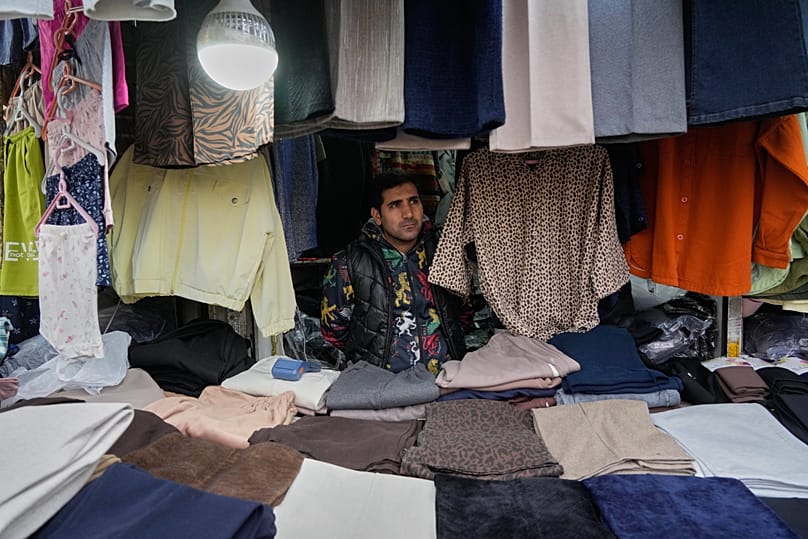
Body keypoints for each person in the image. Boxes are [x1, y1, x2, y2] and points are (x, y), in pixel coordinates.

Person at [320, 170, 466, 375]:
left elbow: (464, 310)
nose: (408, 213)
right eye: (395, 205)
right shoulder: (350, 263)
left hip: (445, 378)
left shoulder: (443, 251)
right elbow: (333, 329)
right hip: (381, 384)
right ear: (377, 215)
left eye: (413, 201)